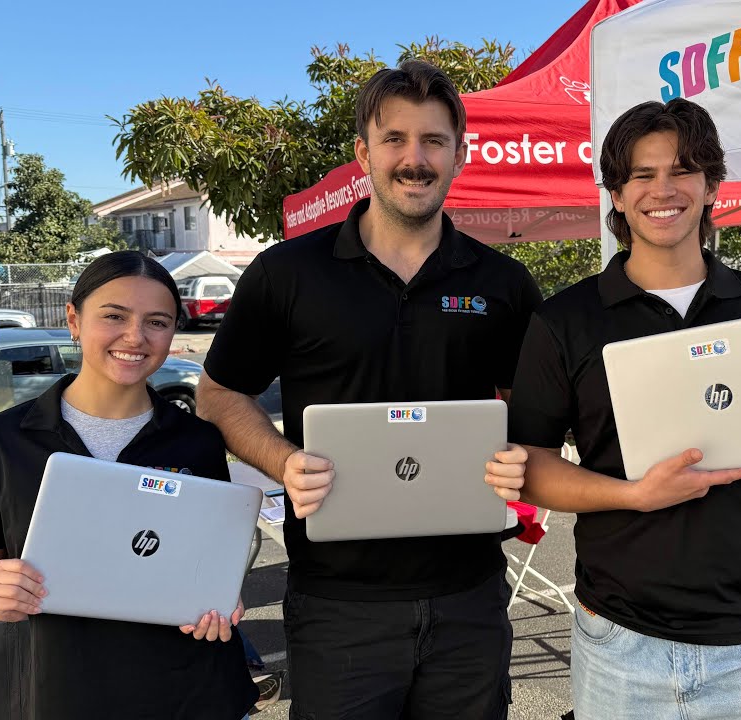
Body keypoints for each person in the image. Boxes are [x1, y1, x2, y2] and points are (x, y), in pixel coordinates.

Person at [197, 59, 542, 719]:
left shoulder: (503, 284)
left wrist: (522, 454)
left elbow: (538, 408)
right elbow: (219, 395)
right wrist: (281, 461)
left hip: (468, 598)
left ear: (459, 155)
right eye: (395, 140)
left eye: (434, 141)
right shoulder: (287, 273)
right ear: (363, 153)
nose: (415, 159)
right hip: (337, 607)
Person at [507, 99, 741, 720]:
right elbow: (530, 466)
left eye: (682, 170)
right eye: (641, 175)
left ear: (710, 185)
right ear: (615, 195)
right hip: (620, 635)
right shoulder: (564, 320)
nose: (662, 190)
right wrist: (634, 495)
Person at [0, 251, 258, 720]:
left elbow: (208, 559)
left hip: (186, 689)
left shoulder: (197, 441)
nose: (135, 337)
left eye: (157, 321)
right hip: (57, 686)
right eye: (114, 316)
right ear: (73, 319)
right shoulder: (1, 442)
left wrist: (221, 598)